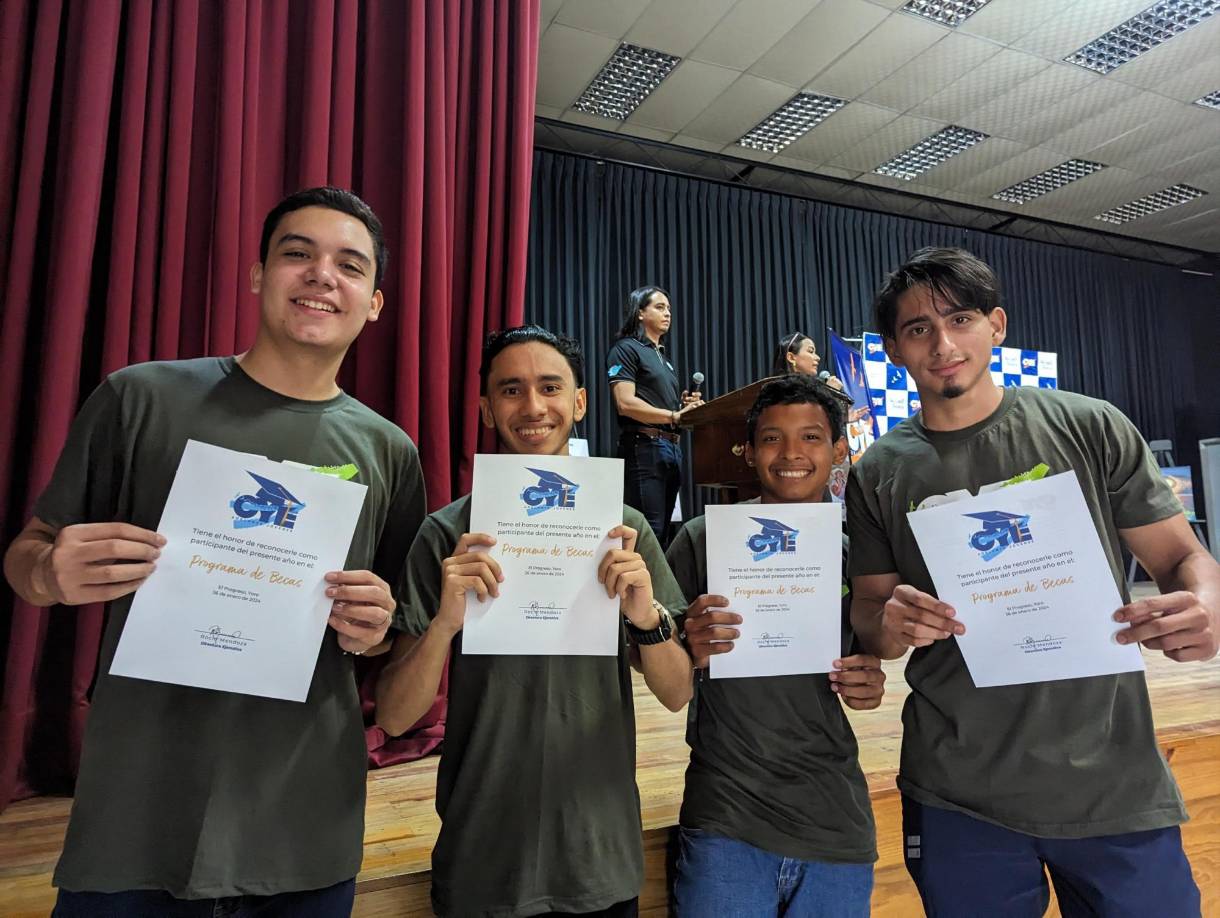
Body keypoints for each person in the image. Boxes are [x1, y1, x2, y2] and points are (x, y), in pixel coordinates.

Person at [3, 186, 427, 917]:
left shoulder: (389, 451)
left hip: (302, 822)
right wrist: (47, 571)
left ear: (374, 302)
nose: (323, 275)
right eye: (298, 254)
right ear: (259, 273)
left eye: (350, 265)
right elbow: (30, 553)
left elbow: (389, 632)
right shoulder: (141, 398)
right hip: (134, 817)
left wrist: (377, 627)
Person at [846, 246, 1218, 917]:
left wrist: (1207, 607)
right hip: (958, 788)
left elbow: (1183, 558)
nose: (944, 344)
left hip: (1113, 777)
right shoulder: (880, 469)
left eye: (960, 319)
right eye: (918, 329)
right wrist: (889, 627)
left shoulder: (1088, 424)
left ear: (997, 325)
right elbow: (872, 611)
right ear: (896, 350)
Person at [375, 325, 692, 917]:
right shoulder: (448, 535)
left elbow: (676, 694)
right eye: (511, 390)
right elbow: (394, 716)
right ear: (487, 407)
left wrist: (645, 615)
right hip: (483, 853)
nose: (533, 407)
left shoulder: (622, 528)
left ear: (579, 403)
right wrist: (445, 623)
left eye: (550, 387)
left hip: (598, 854)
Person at [666, 374, 883, 917]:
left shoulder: (854, 555)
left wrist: (868, 680)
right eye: (771, 438)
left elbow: (867, 660)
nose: (790, 453)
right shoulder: (699, 540)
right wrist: (683, 646)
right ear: (748, 450)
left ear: (838, 450)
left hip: (834, 818)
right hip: (727, 814)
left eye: (810, 437)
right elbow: (658, 670)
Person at [606, 286, 703, 545]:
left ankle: (654, 585)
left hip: (671, 449)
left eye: (669, 308)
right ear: (640, 313)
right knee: (647, 532)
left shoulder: (664, 359)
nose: (667, 313)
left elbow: (663, 406)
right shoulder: (626, 349)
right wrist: (674, 415)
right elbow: (624, 403)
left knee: (661, 535)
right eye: (660, 307)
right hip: (644, 447)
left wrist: (683, 406)